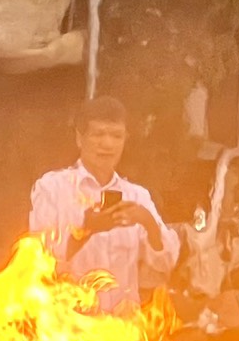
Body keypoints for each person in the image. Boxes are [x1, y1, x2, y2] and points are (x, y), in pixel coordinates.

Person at [28, 96, 178, 316]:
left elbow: (165, 263)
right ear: (80, 138)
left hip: (123, 334)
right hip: (66, 332)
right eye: (98, 134)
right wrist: (86, 229)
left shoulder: (137, 196)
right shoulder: (52, 188)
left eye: (116, 135)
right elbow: (41, 259)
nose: (107, 144)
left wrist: (148, 221)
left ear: (126, 140)